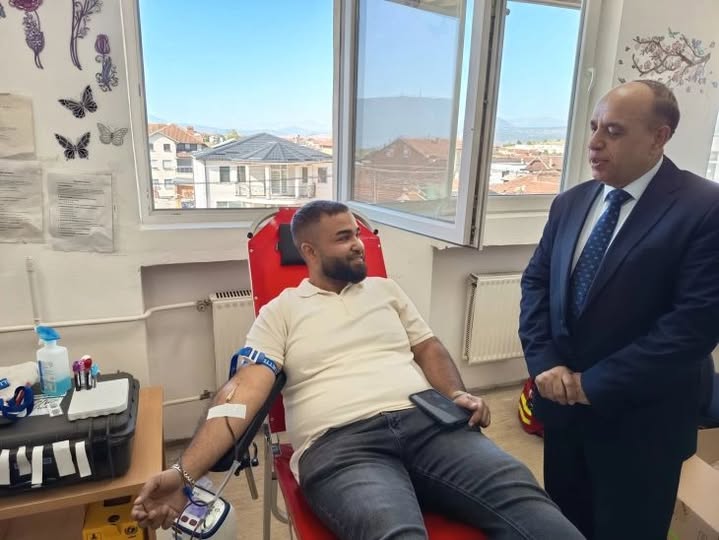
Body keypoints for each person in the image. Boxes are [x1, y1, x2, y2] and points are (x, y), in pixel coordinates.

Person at [132, 200, 584, 539]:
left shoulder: (386, 290)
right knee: (394, 532)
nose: (357, 244)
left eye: (357, 234)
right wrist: (183, 474)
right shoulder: (280, 311)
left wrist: (454, 395)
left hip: (429, 423)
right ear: (308, 251)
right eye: (344, 237)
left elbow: (428, 347)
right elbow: (243, 390)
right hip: (340, 446)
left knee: (526, 499)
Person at [519, 79, 719, 539]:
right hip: (564, 416)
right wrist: (545, 363)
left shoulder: (705, 209)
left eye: (613, 130)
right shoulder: (570, 203)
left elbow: (693, 325)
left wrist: (592, 385)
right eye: (594, 127)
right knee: (565, 526)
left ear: (658, 137)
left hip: (642, 424)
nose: (594, 142)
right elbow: (536, 284)